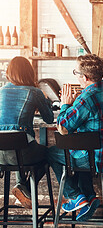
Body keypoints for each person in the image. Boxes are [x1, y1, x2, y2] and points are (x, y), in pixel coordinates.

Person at [47, 54, 103, 221]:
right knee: (81, 148)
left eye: (76, 72)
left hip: (95, 159)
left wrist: (66, 103)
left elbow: (63, 127)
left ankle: (75, 196)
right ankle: (90, 196)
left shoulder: (86, 98)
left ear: (84, 77)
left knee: (52, 153)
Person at [0, 56, 54, 209]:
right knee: (49, 154)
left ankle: (21, 187)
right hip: (21, 153)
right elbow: (49, 118)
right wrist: (43, 100)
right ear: (29, 73)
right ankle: (24, 188)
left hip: (0, 156)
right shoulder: (34, 92)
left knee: (21, 147)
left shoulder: (1, 91)